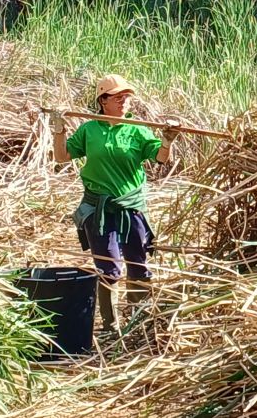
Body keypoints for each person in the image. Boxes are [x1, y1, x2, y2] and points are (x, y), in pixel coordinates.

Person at [49, 73, 180, 335]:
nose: (124, 102)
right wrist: (59, 129)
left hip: (131, 207)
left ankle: (138, 320)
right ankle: (110, 327)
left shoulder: (138, 129)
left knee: (139, 264)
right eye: (118, 97)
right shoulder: (90, 129)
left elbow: (161, 158)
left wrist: (167, 140)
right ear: (103, 100)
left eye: (126, 97)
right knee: (108, 268)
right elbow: (62, 157)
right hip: (99, 208)